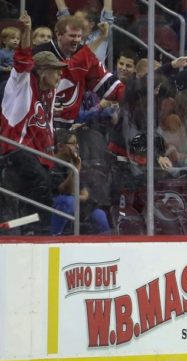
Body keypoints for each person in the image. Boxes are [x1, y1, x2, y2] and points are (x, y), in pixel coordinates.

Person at [0, 11, 67, 233]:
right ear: (41, 71)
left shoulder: (50, 94)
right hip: (13, 154)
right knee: (38, 189)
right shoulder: (21, 84)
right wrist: (27, 32)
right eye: (55, 71)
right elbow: (22, 61)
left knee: (43, 192)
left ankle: (33, 233)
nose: (59, 76)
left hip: (34, 160)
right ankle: (35, 234)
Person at [50, 130, 111, 235]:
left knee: (99, 214)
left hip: (76, 204)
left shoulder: (72, 164)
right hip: (56, 205)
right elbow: (64, 189)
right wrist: (76, 168)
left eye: (77, 143)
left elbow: (85, 195)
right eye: (73, 143)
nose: (77, 146)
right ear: (60, 146)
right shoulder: (51, 165)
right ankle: (54, 237)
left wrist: (74, 195)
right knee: (68, 201)